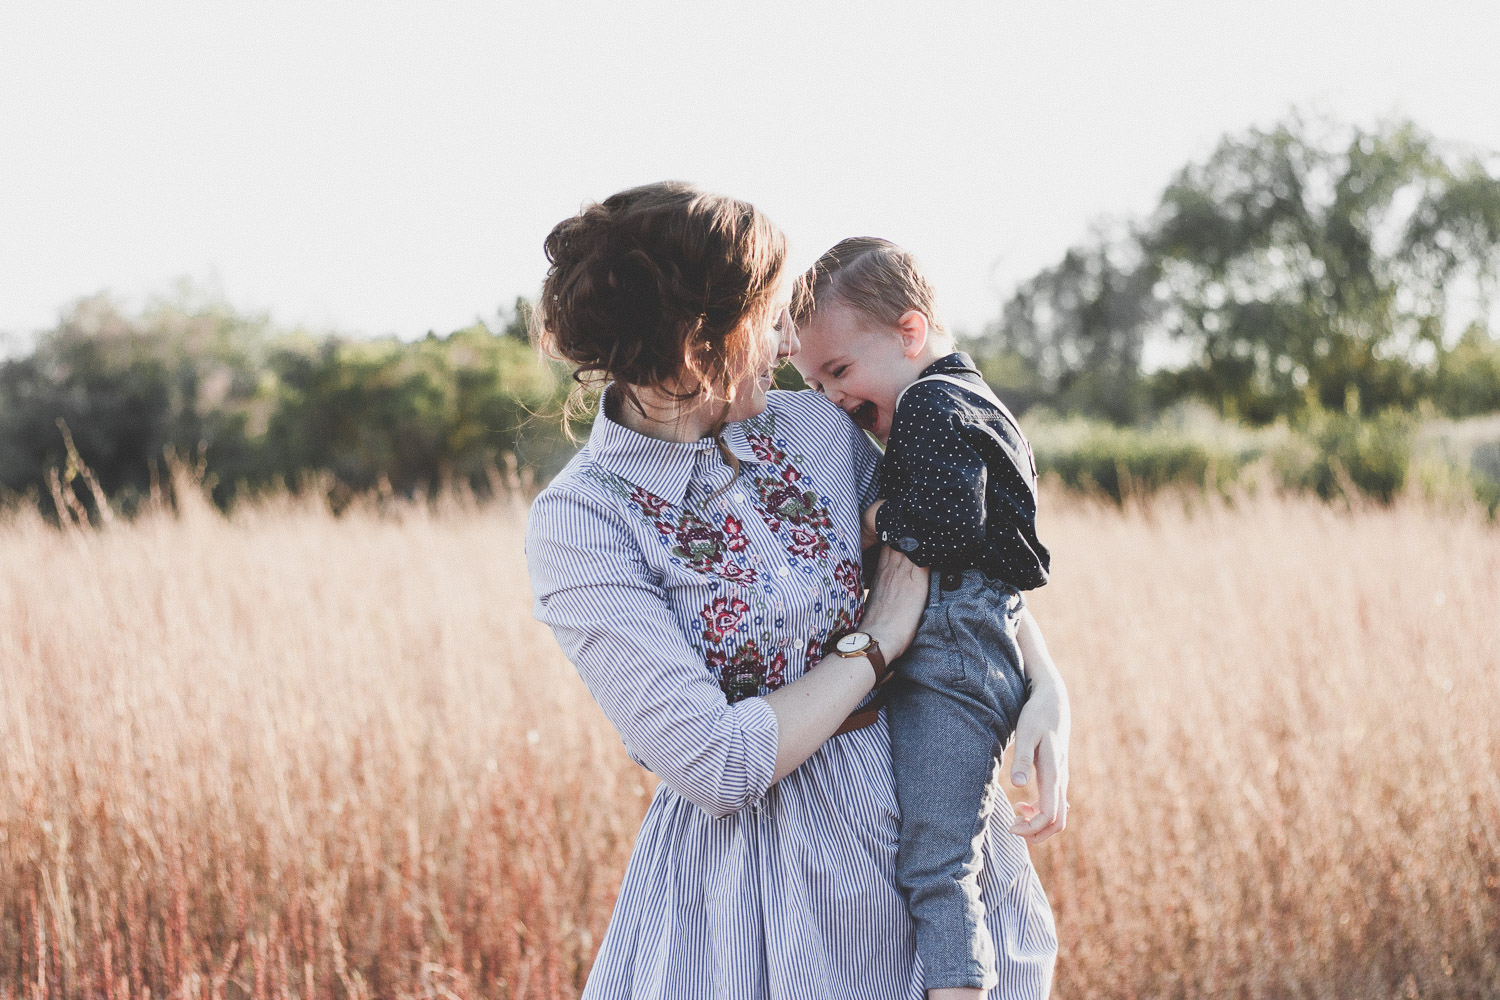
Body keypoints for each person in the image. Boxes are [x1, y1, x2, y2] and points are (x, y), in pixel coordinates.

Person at [525, 181, 1070, 1000]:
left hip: (923, 816)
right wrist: (878, 642)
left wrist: (1045, 682)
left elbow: (947, 549)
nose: (787, 343)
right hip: (761, 888)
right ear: (695, 342)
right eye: (771, 317)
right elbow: (715, 761)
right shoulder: (582, 520)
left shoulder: (815, 427)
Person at [790, 238, 1057, 994]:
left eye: (839, 372)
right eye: (813, 382)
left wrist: (865, 517)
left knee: (936, 867)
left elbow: (946, 530)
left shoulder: (930, 406)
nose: (833, 399)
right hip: (971, 641)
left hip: (952, 651)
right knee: (938, 855)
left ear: (911, 332)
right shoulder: (968, 398)